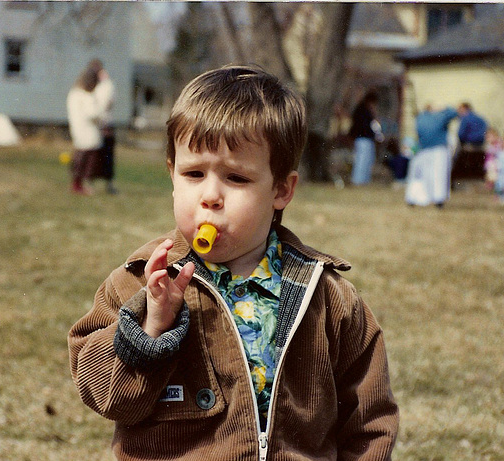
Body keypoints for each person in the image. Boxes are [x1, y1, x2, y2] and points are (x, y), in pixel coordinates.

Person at [68, 65, 399, 460]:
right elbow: (105, 395)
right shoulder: (137, 284)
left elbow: (369, 422)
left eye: (236, 179)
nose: (210, 196)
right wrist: (149, 329)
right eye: (193, 173)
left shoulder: (327, 297)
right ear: (172, 175)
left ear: (280, 190)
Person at [405, 104, 458, 207]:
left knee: (426, 175)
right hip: (436, 150)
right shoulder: (439, 116)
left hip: (427, 149)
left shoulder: (421, 118)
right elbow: (454, 112)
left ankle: (421, 199)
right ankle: (436, 199)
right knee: (437, 175)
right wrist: (443, 108)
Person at [66, 65, 103, 195]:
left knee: (80, 156)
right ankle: (80, 184)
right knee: (85, 158)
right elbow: (92, 113)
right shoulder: (85, 96)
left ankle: (77, 183)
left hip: (78, 128)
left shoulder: (74, 93)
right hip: (87, 130)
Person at [89, 58, 118, 194]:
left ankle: (109, 183)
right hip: (93, 125)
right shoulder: (92, 85)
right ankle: (89, 182)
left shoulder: (107, 85)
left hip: (105, 123)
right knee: (93, 155)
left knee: (107, 156)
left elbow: (108, 103)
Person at [349, 90, 383, 185]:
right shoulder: (363, 111)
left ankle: (364, 181)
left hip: (365, 139)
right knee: (361, 160)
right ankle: (358, 180)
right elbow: (365, 126)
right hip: (363, 139)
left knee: (367, 161)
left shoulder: (364, 110)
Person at [452, 102, 487, 182]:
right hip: (480, 144)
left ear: (464, 109)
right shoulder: (480, 118)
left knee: (455, 154)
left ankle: (455, 178)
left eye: (460, 109)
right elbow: (485, 130)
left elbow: (460, 134)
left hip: (468, 144)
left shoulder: (465, 118)